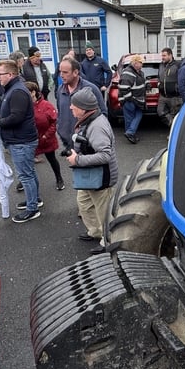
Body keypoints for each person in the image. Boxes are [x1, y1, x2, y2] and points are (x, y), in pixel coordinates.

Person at [0, 60, 42, 223]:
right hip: (20, 139)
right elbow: (10, 112)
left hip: (21, 141)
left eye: (0, 74)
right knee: (29, 173)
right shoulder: (13, 88)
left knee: (25, 175)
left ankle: (32, 209)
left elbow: (16, 117)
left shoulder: (17, 91)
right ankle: (35, 200)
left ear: (10, 74)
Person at [66, 87, 118, 255]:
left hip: (102, 178)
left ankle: (107, 241)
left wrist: (77, 160)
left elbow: (105, 156)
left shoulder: (97, 126)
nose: (70, 108)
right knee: (84, 204)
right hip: (91, 176)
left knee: (104, 212)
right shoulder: (89, 120)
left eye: (73, 105)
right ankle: (95, 232)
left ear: (83, 108)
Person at [55, 57, 107, 150]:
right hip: (67, 140)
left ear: (75, 72)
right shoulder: (60, 89)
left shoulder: (91, 89)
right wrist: (60, 128)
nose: (61, 75)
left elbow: (103, 113)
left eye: (65, 72)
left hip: (86, 142)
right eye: (60, 72)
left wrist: (92, 135)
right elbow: (60, 112)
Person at [25, 81, 65, 190]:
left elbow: (54, 122)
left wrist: (46, 136)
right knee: (27, 162)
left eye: (27, 92)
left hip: (46, 139)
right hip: (31, 139)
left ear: (33, 92)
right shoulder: (24, 105)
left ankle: (59, 178)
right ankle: (24, 180)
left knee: (52, 159)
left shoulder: (46, 105)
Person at [118, 54, 146, 144]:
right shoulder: (128, 72)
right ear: (135, 63)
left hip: (137, 100)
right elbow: (123, 88)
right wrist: (130, 98)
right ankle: (131, 135)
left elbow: (141, 81)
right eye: (140, 62)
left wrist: (147, 84)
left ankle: (130, 133)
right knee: (130, 118)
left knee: (136, 116)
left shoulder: (139, 72)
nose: (142, 64)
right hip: (130, 100)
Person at [156, 47, 182, 127]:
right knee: (160, 112)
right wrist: (158, 84)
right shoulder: (161, 65)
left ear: (170, 55)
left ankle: (173, 134)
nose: (162, 57)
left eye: (164, 55)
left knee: (175, 115)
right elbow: (159, 76)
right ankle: (172, 124)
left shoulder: (177, 65)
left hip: (174, 97)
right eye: (162, 56)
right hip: (163, 96)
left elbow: (182, 78)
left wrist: (177, 87)